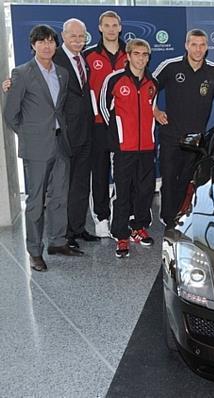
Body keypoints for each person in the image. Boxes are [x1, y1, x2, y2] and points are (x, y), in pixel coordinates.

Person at [3, 25, 83, 272]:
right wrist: (30, 136)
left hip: (60, 143)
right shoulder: (21, 73)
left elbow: (59, 108)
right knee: (36, 202)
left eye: (50, 41)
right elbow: (10, 114)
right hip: (36, 148)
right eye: (41, 42)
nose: (47, 46)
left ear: (56, 45)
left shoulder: (61, 73)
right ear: (33, 45)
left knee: (60, 196)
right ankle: (35, 251)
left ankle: (57, 242)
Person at [153, 29, 214, 229]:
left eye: (202, 45)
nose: (198, 49)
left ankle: (181, 215)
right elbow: (148, 86)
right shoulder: (171, 66)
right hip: (170, 134)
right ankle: (168, 217)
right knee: (170, 178)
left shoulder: (213, 70)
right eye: (194, 45)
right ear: (186, 45)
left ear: (207, 47)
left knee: (187, 180)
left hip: (195, 139)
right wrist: (154, 110)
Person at [99, 38, 158, 258]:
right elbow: (104, 109)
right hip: (124, 148)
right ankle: (121, 235)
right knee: (122, 193)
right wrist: (119, 134)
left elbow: (152, 109)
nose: (141, 58)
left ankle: (138, 228)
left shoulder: (152, 82)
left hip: (147, 148)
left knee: (145, 191)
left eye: (145, 54)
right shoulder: (115, 80)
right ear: (129, 55)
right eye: (137, 54)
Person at [55, 19, 101, 249]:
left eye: (81, 36)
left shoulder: (83, 59)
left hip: (86, 132)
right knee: (65, 186)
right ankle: (65, 234)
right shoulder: (54, 58)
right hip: (65, 135)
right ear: (63, 36)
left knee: (82, 184)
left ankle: (78, 228)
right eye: (73, 36)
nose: (77, 40)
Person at [84, 10, 128, 238]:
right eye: (107, 25)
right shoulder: (89, 56)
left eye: (115, 25)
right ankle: (101, 217)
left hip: (123, 126)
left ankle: (123, 214)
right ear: (100, 28)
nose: (111, 29)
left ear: (120, 28)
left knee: (123, 172)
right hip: (98, 124)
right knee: (99, 172)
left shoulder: (131, 54)